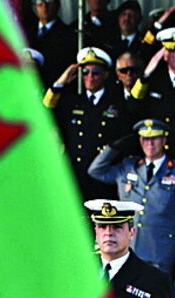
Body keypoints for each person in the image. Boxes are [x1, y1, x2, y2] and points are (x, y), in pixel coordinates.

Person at [88, 118, 175, 275]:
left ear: (164, 140)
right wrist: (113, 148)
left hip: (161, 255)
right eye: (145, 139)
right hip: (129, 252)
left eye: (155, 139)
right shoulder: (128, 167)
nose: (150, 144)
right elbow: (96, 170)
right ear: (140, 140)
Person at [43, 47, 130, 200]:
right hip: (76, 178)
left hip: (103, 180)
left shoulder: (116, 104)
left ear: (105, 74)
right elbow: (46, 110)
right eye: (85, 72)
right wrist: (60, 82)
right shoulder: (72, 102)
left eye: (95, 72)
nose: (90, 77)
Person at [130, 27, 175, 176]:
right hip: (161, 161)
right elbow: (133, 108)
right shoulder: (154, 81)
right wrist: (145, 76)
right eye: (171, 51)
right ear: (164, 55)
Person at [27, 0, 76, 88]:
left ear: (57, 5)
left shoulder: (69, 35)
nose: (44, 6)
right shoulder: (25, 31)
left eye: (49, 1)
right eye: (40, 2)